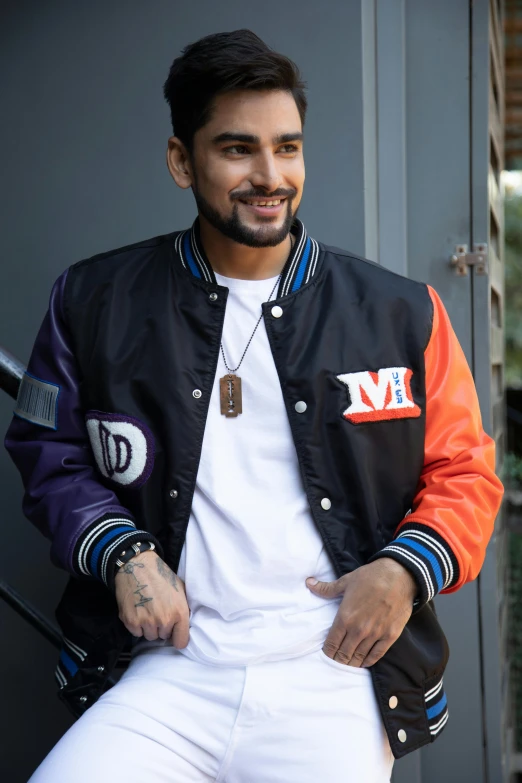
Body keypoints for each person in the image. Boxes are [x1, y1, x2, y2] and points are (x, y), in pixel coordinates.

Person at [5, 28, 503, 783]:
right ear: (182, 160)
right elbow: (50, 453)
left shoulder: (404, 312)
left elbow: (467, 473)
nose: (270, 175)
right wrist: (122, 551)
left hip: (333, 672)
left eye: (288, 147)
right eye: (238, 149)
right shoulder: (92, 300)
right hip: (169, 671)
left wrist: (404, 570)